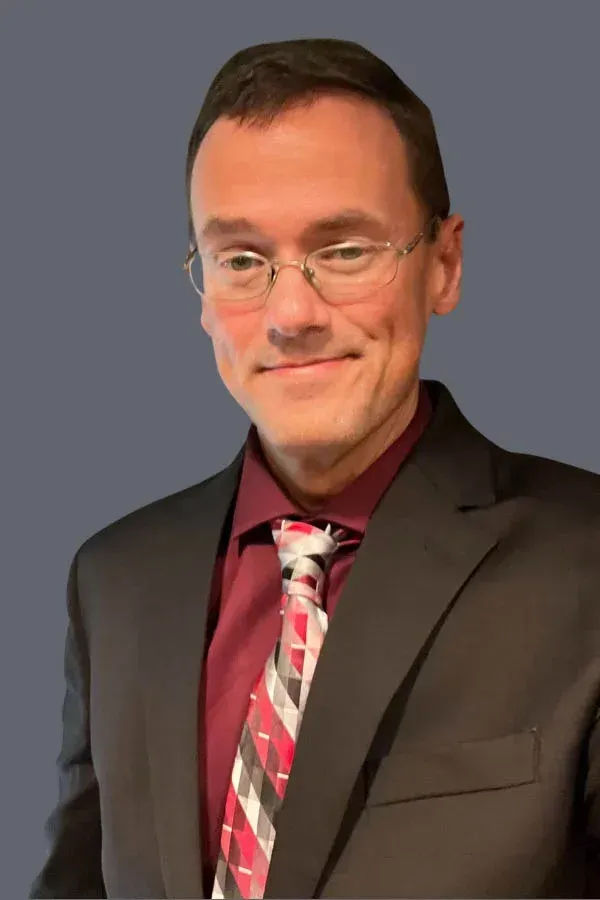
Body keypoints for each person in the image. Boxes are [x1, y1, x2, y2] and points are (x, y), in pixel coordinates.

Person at [29, 36, 600, 900]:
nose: (290, 313)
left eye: (344, 250)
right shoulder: (114, 580)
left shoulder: (584, 565)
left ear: (443, 264)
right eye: (242, 260)